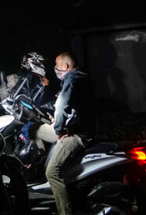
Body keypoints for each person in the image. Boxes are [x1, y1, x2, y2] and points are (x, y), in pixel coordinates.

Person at [42, 51, 95, 215]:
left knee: (52, 172)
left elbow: (62, 105)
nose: (56, 69)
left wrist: (58, 129)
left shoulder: (72, 78)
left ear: (65, 66)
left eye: (57, 66)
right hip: (71, 128)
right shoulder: (79, 78)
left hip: (77, 134)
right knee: (35, 130)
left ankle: (66, 212)